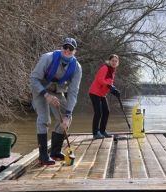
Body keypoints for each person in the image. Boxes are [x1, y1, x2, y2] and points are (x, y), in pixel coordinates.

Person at [30, 37, 82, 165]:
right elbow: (33, 79)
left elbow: (73, 92)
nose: (67, 50)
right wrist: (46, 95)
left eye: (71, 49)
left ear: (75, 51)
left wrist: (68, 114)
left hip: (57, 91)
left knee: (66, 119)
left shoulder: (77, 68)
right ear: (61, 48)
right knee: (44, 119)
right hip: (41, 89)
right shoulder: (47, 58)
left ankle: (55, 152)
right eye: (65, 47)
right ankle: (43, 156)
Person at [88, 54, 121, 139]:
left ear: (117, 63)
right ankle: (95, 133)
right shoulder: (105, 68)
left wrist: (114, 90)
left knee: (106, 111)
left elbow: (110, 82)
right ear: (109, 61)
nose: (114, 62)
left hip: (102, 94)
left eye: (116, 61)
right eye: (113, 61)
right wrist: (109, 85)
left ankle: (102, 131)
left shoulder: (112, 70)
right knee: (98, 113)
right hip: (94, 92)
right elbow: (100, 79)